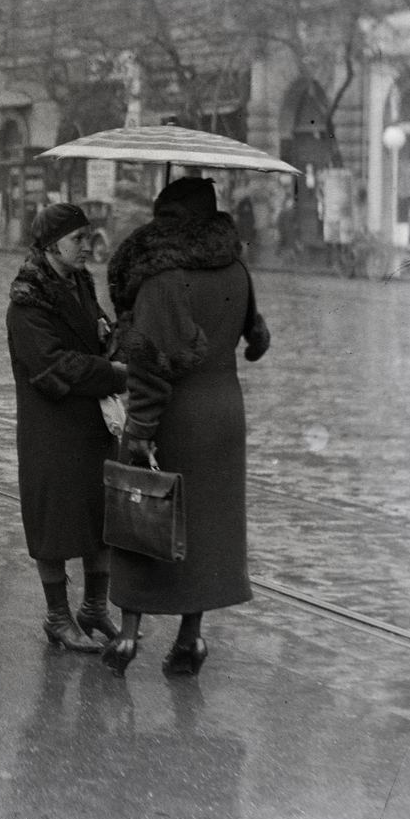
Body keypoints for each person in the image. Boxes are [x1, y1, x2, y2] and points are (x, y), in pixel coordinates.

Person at [102, 176, 270, 677]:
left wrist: (138, 432)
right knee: (205, 530)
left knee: (145, 514)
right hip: (224, 410)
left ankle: (129, 638)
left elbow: (152, 367)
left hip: (177, 415)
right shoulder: (236, 267)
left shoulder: (163, 278)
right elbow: (255, 337)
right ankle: (190, 640)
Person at [7, 203, 129, 651]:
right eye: (77, 239)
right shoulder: (27, 300)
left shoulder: (80, 284)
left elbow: (97, 333)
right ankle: (57, 617)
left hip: (90, 422)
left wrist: (116, 338)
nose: (86, 246)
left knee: (98, 517)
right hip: (52, 428)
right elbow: (54, 365)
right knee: (55, 522)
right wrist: (116, 373)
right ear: (51, 244)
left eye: (88, 237)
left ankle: (94, 608)